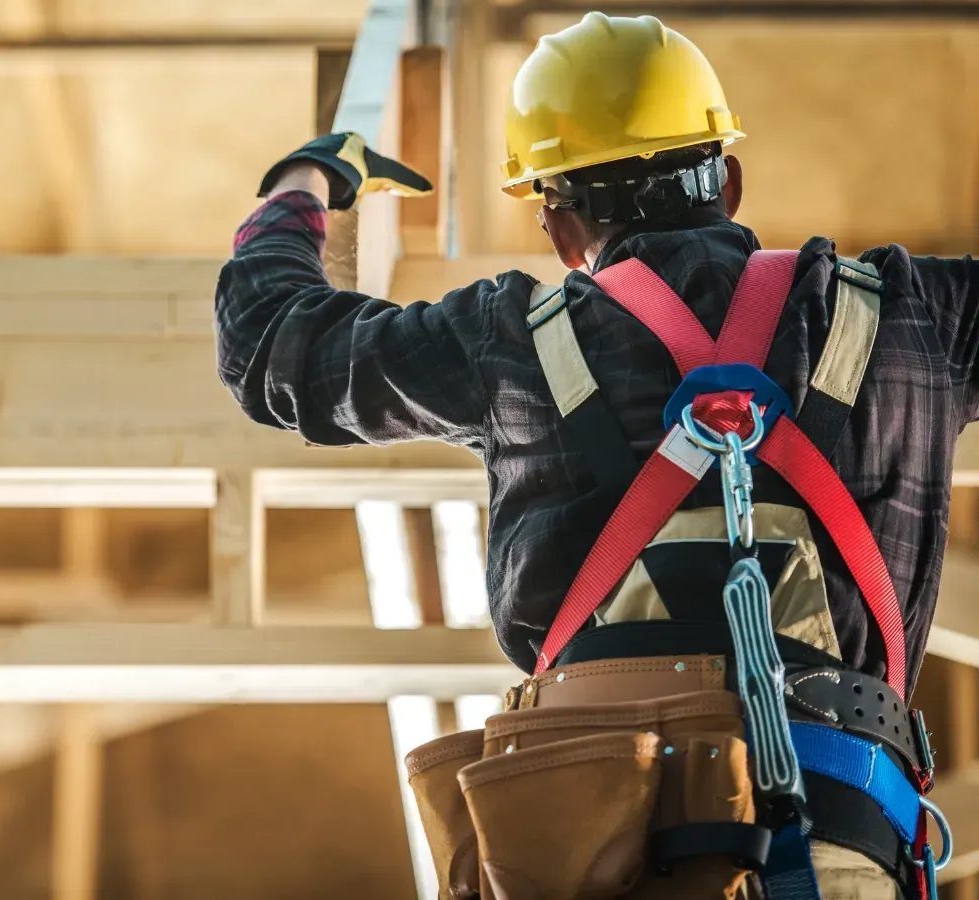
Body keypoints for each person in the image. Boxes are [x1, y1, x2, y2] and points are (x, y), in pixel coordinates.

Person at [213, 11, 975, 900]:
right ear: (727, 180)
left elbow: (271, 344)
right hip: (837, 841)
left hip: (585, 847)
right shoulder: (912, 317)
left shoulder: (507, 345)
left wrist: (305, 181)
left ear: (558, 225)